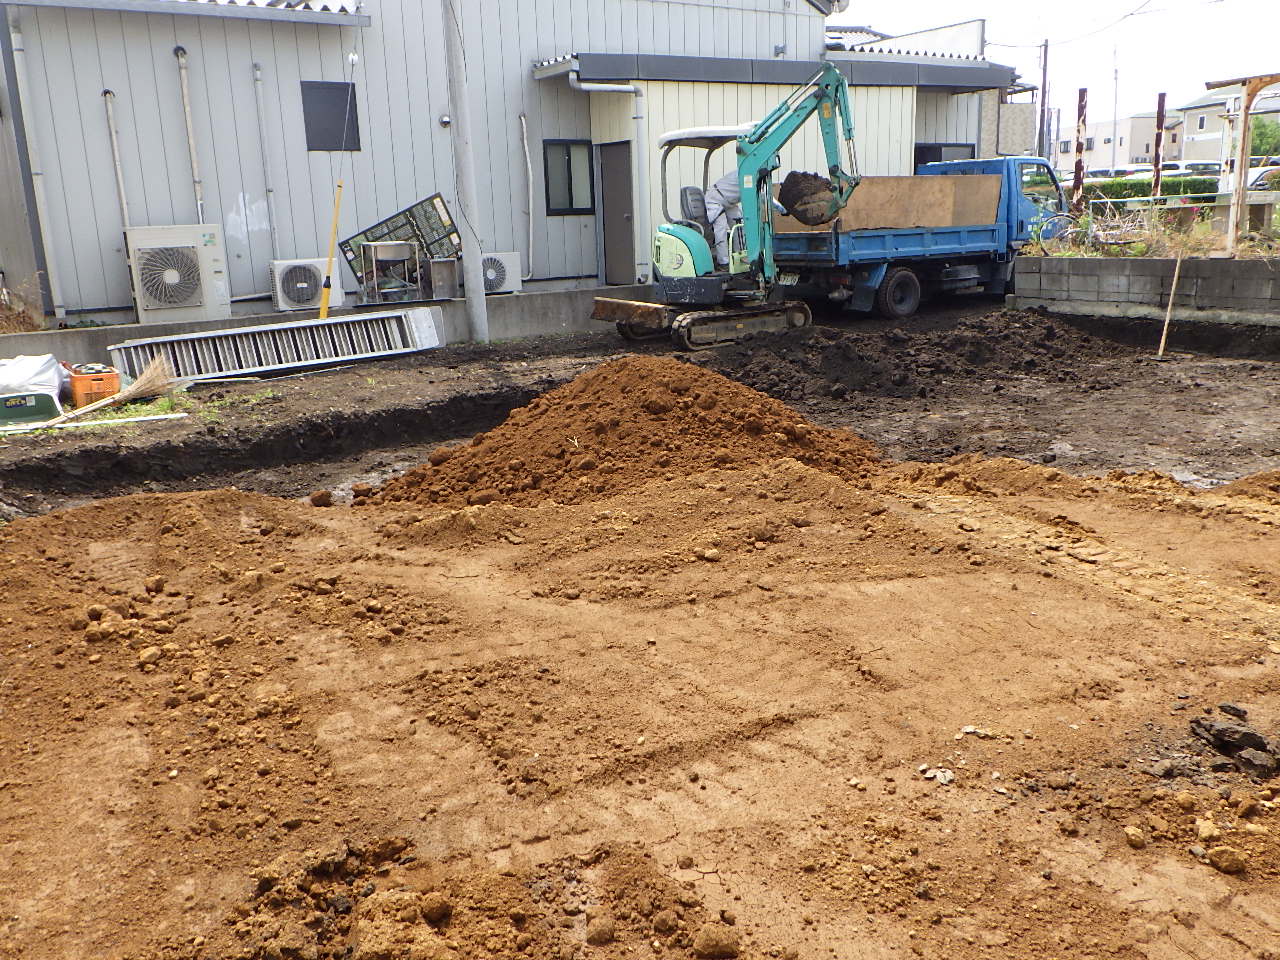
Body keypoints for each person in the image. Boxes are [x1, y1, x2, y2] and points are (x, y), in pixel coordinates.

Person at [702, 170, 741, 268]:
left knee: (739, 226)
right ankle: (723, 263)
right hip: (716, 198)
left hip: (729, 201)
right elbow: (759, 195)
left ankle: (740, 257)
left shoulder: (751, 174)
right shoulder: (746, 174)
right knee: (721, 228)